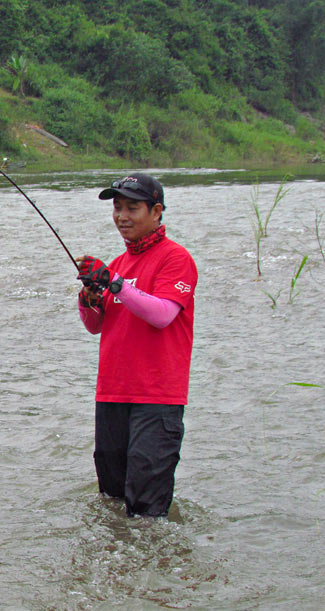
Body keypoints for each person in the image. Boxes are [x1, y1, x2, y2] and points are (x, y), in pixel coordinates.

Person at [75, 173, 197, 518]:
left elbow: (162, 314)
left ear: (156, 211)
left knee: (145, 509)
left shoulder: (176, 259)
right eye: (117, 207)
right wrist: (88, 299)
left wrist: (114, 285)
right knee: (112, 500)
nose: (122, 216)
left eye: (133, 207)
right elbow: (95, 326)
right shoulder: (117, 263)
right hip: (112, 394)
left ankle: (154, 569)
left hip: (156, 398)